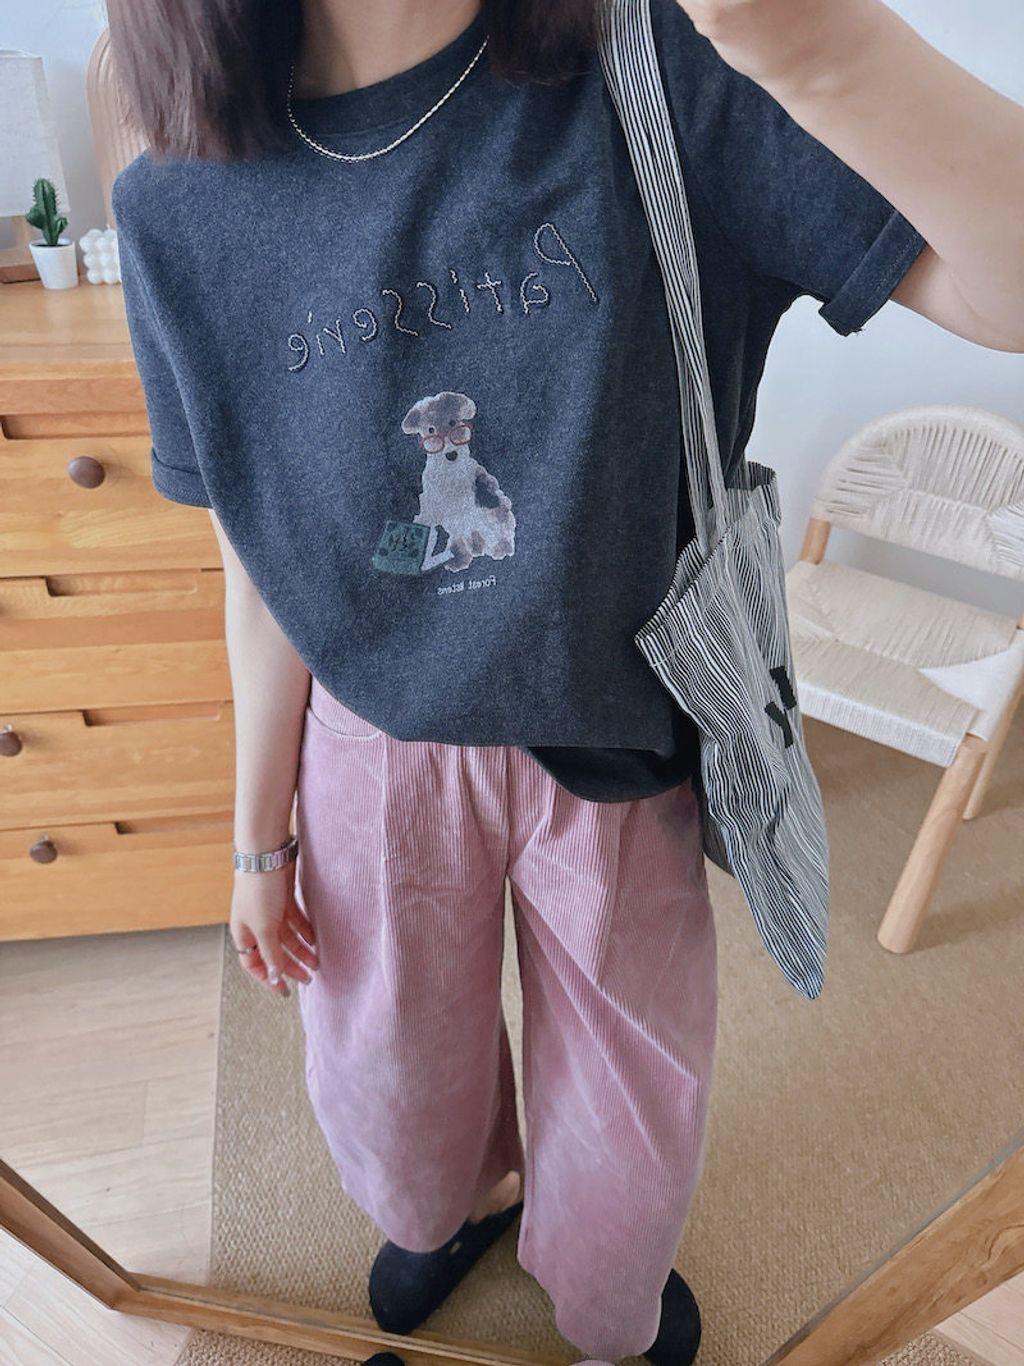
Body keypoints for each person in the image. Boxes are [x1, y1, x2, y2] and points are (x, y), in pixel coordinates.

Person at [107, 0, 1024, 1359]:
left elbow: (1003, 289)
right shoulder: (178, 204)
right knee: (389, 1084)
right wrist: (259, 842)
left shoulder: (663, 69)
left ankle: (608, 1309)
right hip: (368, 748)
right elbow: (259, 566)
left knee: (631, 1114)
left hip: (617, 739)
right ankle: (460, 1205)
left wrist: (817, 46)